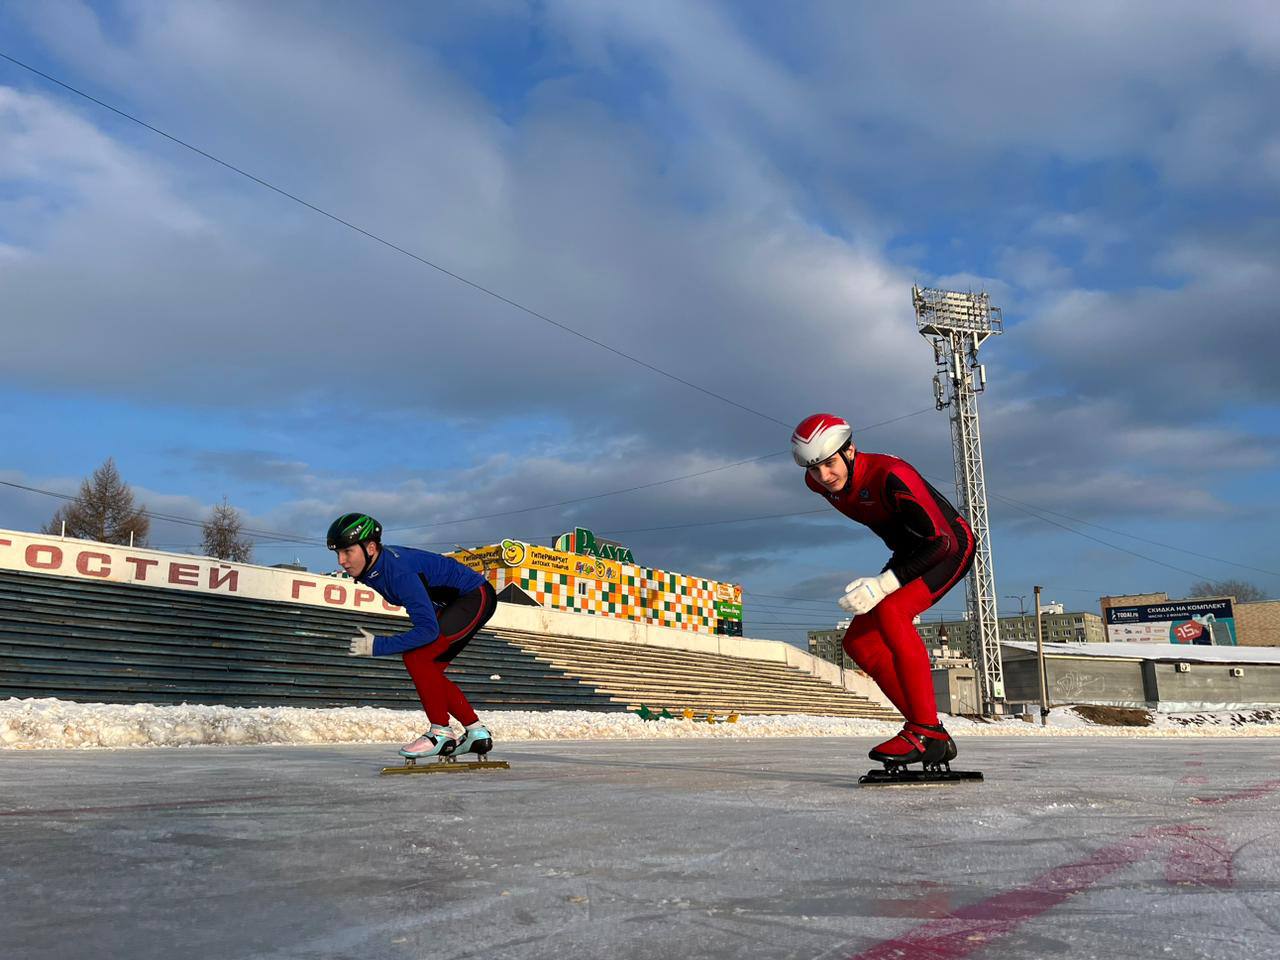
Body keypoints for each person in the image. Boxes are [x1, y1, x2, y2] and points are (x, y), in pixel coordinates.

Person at [792, 414, 975, 768]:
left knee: (893, 611)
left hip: (949, 547)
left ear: (850, 451)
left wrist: (883, 584)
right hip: (908, 554)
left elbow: (942, 542)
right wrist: (886, 579)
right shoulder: (816, 482)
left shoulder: (891, 475)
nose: (825, 477)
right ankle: (930, 732)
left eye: (830, 463)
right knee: (858, 641)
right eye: (815, 470)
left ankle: (923, 731)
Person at [327, 512, 498, 760]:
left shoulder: (397, 572)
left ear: (371, 547)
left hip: (473, 597)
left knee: (417, 659)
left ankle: (441, 732)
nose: (341, 560)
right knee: (427, 670)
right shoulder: (375, 568)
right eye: (337, 554)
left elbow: (426, 630)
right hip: (452, 604)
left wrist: (379, 645)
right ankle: (476, 732)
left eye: (347, 552)